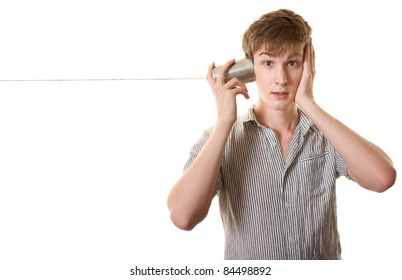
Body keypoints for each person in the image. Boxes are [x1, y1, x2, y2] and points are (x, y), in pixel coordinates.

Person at [167, 9, 396, 260]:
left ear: (308, 65)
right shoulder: (222, 138)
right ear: (249, 69)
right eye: (268, 63)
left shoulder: (326, 136)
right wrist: (224, 122)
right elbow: (182, 217)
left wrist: (308, 102)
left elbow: (382, 178)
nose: (281, 78)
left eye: (292, 63)